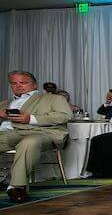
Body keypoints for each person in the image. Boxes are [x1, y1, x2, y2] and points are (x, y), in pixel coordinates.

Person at [0, 71, 72, 203]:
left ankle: (17, 186)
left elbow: (64, 116)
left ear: (34, 85)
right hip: (7, 134)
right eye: (14, 83)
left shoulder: (53, 98)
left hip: (41, 133)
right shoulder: (5, 103)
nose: (18, 86)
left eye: (23, 82)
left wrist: (30, 118)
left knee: (29, 141)